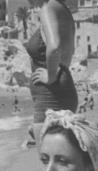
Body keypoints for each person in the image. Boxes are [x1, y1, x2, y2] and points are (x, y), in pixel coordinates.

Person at [22, 0, 77, 148]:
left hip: (50, 94)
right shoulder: (61, 8)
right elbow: (69, 51)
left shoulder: (48, 8)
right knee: (59, 156)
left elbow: (54, 47)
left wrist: (51, 76)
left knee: (46, 157)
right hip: (56, 91)